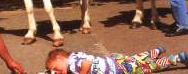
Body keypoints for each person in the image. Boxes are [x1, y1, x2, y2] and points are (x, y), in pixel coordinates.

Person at [44, 47, 188, 74]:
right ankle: (156, 50)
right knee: (135, 59)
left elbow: (86, 64)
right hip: (113, 60)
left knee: (145, 68)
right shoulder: (75, 56)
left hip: (119, 68)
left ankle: (175, 58)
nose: (57, 72)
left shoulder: (73, 63)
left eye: (56, 69)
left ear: (61, 58)